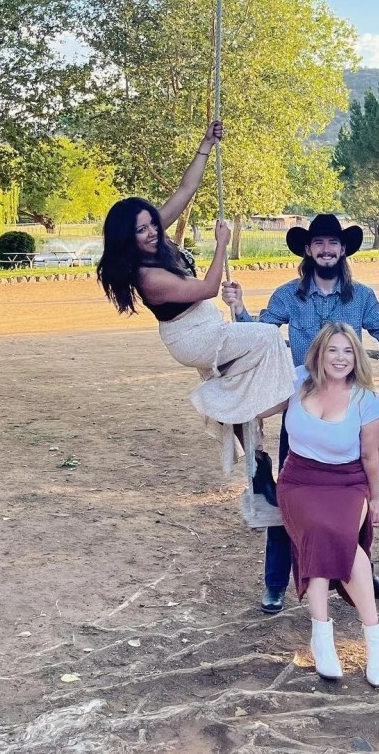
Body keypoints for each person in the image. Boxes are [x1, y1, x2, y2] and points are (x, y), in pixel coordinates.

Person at [222, 212, 379, 613]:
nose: (326, 249)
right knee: (290, 497)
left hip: (350, 405)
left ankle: (362, 569)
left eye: (333, 243)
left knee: (354, 494)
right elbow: (260, 334)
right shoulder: (289, 295)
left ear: (343, 250)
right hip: (304, 406)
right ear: (308, 250)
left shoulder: (361, 297)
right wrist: (238, 309)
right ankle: (275, 582)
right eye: (319, 243)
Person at [97, 121, 294, 495]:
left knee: (244, 372)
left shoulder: (156, 237)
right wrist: (223, 244)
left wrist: (205, 144)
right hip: (193, 336)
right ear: (128, 237)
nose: (151, 232)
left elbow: (186, 190)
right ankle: (252, 407)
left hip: (206, 327)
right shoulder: (146, 275)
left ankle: (257, 463)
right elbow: (207, 288)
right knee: (269, 337)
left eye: (150, 224)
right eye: (140, 230)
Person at [260, 322, 379, 686]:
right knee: (320, 531)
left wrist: (375, 499)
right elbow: (260, 406)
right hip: (299, 481)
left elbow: (370, 458)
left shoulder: (367, 400)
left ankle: (373, 639)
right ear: (319, 353)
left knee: (339, 538)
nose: (340, 358)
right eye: (333, 350)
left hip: (348, 482)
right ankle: (323, 638)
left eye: (348, 351)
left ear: (356, 357)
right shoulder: (298, 381)